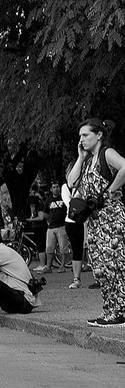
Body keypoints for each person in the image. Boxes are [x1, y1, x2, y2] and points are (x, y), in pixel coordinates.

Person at [67, 118, 125, 327]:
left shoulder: (106, 153)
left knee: (114, 265)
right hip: (95, 221)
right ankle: (110, 310)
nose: (81, 139)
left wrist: (110, 191)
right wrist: (81, 158)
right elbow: (71, 182)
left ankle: (120, 310)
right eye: (80, 136)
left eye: (86, 135)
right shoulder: (88, 159)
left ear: (98, 135)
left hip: (110, 218)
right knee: (100, 267)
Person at [62, 173, 86, 289]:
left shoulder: (85, 184)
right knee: (76, 248)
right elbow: (69, 204)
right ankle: (77, 278)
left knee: (86, 248)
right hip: (71, 221)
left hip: (85, 221)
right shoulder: (65, 187)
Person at [43, 182, 69, 274]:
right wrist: (50, 219)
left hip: (61, 226)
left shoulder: (63, 198)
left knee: (63, 247)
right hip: (51, 227)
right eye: (54, 187)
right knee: (49, 247)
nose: (56, 189)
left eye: (57, 187)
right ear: (51, 189)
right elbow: (45, 213)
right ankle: (48, 267)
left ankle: (62, 266)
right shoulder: (49, 200)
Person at [26, 195, 49, 273]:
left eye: (32, 204)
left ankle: (43, 265)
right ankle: (43, 264)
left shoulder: (39, 206)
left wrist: (31, 219)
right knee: (40, 247)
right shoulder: (36, 206)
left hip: (41, 227)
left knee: (41, 246)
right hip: (37, 227)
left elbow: (41, 217)